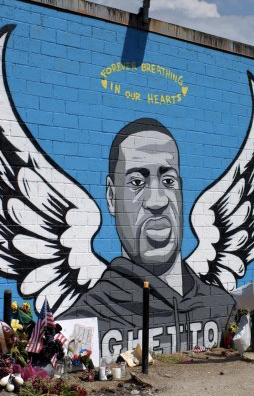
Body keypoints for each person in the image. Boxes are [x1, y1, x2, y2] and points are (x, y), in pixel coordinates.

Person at [62, 118, 235, 356]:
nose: (157, 201)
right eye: (137, 182)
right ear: (112, 198)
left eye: (168, 181)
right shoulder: (88, 316)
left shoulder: (221, 305)